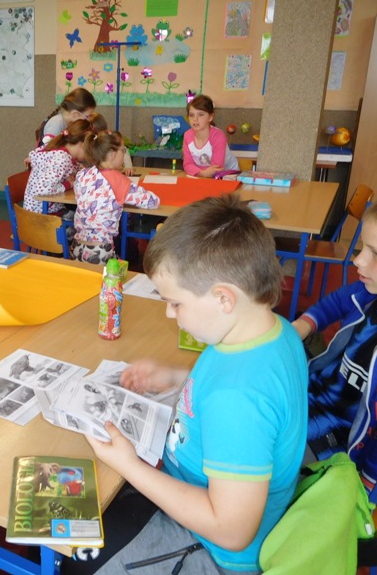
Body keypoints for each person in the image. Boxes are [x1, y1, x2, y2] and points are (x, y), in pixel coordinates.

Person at [63, 194, 308, 575]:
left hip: (214, 549)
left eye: (175, 303)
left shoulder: (238, 399)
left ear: (223, 298)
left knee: (72, 556)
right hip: (197, 484)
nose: (168, 312)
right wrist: (175, 377)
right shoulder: (271, 331)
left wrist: (129, 465)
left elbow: (231, 531)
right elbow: (234, 387)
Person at [291, 188, 377, 490]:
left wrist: (371, 478)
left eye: (376, 253)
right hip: (313, 393)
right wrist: (304, 324)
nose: (358, 260)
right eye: (361, 248)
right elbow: (336, 302)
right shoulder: (372, 290)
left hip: (343, 435)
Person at [71, 130, 159, 264]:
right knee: (119, 272)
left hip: (77, 247)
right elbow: (152, 202)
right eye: (123, 150)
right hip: (100, 251)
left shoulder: (83, 174)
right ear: (113, 155)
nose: (124, 154)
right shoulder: (118, 180)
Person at [23, 119, 89, 215]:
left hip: (39, 209)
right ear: (83, 146)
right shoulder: (61, 159)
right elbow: (43, 189)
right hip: (41, 214)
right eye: (89, 151)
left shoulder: (59, 149)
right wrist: (68, 184)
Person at [182, 94, 238, 178]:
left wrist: (197, 171)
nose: (195, 119)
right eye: (191, 115)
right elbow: (187, 165)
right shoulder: (187, 135)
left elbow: (217, 168)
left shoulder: (218, 136)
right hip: (203, 176)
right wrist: (203, 173)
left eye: (200, 114)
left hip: (228, 176)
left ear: (210, 117)